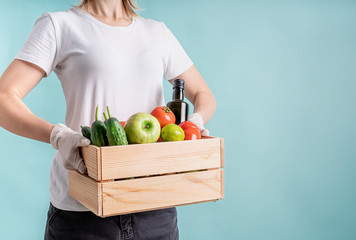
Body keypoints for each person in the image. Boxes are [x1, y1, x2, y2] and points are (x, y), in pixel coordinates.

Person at [0, 0, 216, 239]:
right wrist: (58, 136)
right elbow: (4, 98)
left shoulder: (157, 33)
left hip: (154, 209)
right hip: (83, 212)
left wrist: (193, 123)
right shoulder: (59, 25)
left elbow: (203, 94)